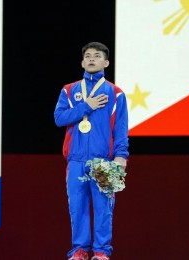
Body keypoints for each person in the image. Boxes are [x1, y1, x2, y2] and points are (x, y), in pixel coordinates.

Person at [54, 42, 129, 260]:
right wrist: (86, 105)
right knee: (77, 208)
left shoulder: (116, 93)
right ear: (82, 62)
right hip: (76, 159)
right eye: (87, 56)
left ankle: (101, 252)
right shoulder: (69, 91)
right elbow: (59, 119)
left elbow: (121, 127)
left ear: (106, 62)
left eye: (97, 56)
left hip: (104, 161)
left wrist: (121, 156)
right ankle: (79, 250)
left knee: (104, 208)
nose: (91, 59)